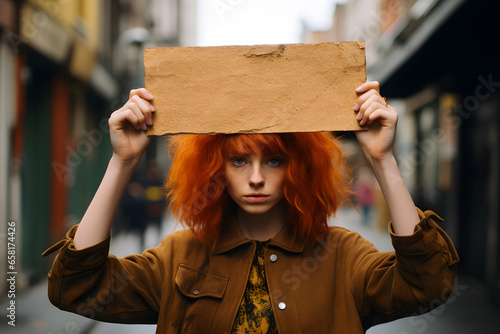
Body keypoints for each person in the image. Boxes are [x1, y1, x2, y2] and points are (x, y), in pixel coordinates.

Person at [42, 82, 459, 333]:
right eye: (239, 160)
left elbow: (428, 284)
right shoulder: (180, 257)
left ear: (297, 167)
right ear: (215, 168)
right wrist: (122, 162)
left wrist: (383, 160)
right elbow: (76, 288)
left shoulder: (343, 257)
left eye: (273, 160)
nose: (256, 177)